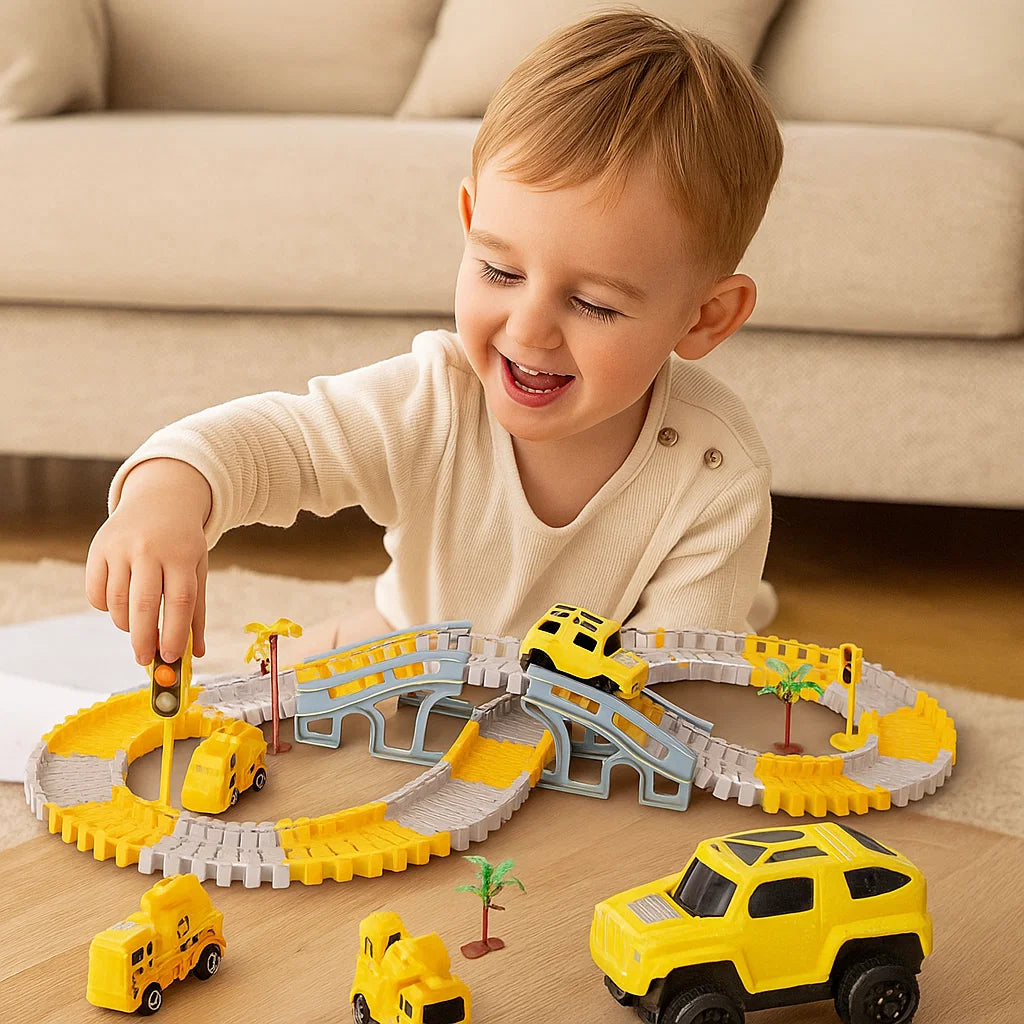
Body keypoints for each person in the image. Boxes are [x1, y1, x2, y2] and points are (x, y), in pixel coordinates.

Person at [85, 10, 784, 668]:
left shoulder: (715, 470)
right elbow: (281, 444)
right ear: (470, 220)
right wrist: (166, 495)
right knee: (258, 690)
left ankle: (747, 603)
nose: (528, 328)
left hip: (585, 694)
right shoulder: (436, 400)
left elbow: (670, 695)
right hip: (415, 638)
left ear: (705, 317)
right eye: (500, 271)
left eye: (593, 304)